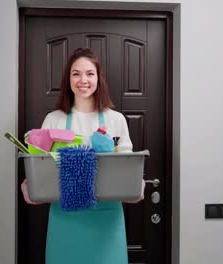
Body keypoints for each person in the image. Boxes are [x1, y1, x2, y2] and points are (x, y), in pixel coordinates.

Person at [21, 48, 145, 264]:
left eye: (90, 73)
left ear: (99, 78)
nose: (83, 80)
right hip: (65, 220)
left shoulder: (116, 120)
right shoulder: (54, 120)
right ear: (68, 79)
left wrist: (137, 184)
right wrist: (29, 184)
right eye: (76, 73)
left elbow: (126, 166)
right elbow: (41, 167)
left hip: (107, 222)